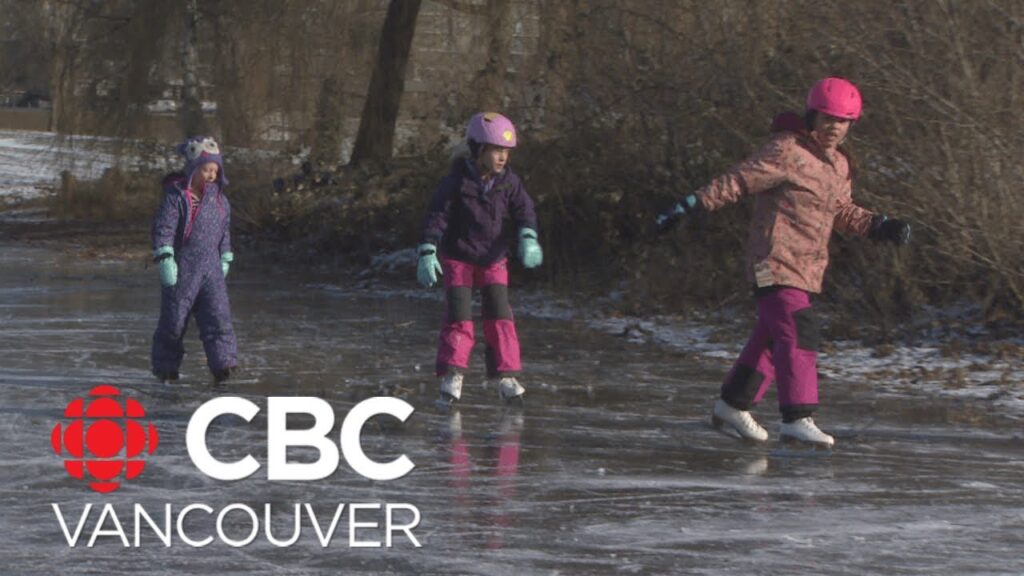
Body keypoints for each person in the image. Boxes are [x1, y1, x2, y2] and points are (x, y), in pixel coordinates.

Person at [656, 77, 912, 447]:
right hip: (772, 260)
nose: (833, 127)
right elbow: (738, 180)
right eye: (826, 119)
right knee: (796, 330)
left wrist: (878, 225)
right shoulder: (786, 150)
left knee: (772, 336)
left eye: (841, 121)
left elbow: (840, 210)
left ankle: (732, 405)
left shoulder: (838, 164)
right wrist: (692, 205)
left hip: (807, 266)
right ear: (812, 115)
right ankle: (797, 417)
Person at [418, 112, 543, 406]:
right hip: (459, 258)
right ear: (478, 150)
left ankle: (506, 377)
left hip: (493, 259)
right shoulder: (456, 182)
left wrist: (528, 235)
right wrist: (427, 248)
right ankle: (453, 374)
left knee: (500, 316)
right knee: (459, 317)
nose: (503, 158)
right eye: (497, 150)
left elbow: (525, 210)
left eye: (507, 152)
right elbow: (437, 215)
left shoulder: (509, 182)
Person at [151, 136, 239, 383]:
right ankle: (166, 368)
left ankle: (224, 365)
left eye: (215, 170)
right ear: (193, 169)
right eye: (206, 169)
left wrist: (226, 256)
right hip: (183, 267)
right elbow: (164, 227)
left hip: (211, 268)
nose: (211, 175)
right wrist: (165, 255)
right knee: (174, 320)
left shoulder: (221, 201)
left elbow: (225, 231)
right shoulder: (177, 197)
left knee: (218, 315)